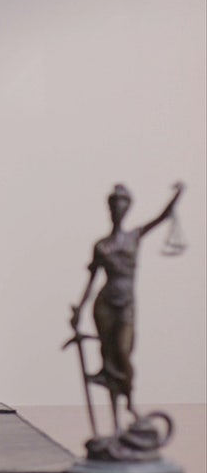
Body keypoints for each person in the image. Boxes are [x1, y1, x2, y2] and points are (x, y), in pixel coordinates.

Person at [71, 182, 184, 434]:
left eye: (121, 207)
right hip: (104, 306)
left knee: (123, 353)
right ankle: (115, 425)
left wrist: (179, 194)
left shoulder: (134, 236)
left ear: (127, 210)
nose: (117, 211)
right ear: (109, 211)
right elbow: (91, 281)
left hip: (126, 305)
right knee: (109, 358)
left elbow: (163, 216)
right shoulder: (101, 245)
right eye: (114, 207)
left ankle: (130, 401)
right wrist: (79, 309)